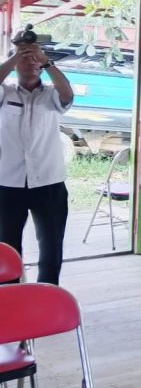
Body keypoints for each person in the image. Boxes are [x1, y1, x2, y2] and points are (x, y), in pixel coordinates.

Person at [0, 38, 74, 285]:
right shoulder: (5, 93)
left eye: (35, 58)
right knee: (7, 247)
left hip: (49, 182)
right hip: (8, 183)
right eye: (24, 58)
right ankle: (10, 295)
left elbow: (67, 94)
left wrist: (47, 61)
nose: (30, 62)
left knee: (51, 244)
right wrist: (15, 56)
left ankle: (48, 292)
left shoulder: (52, 94)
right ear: (15, 64)